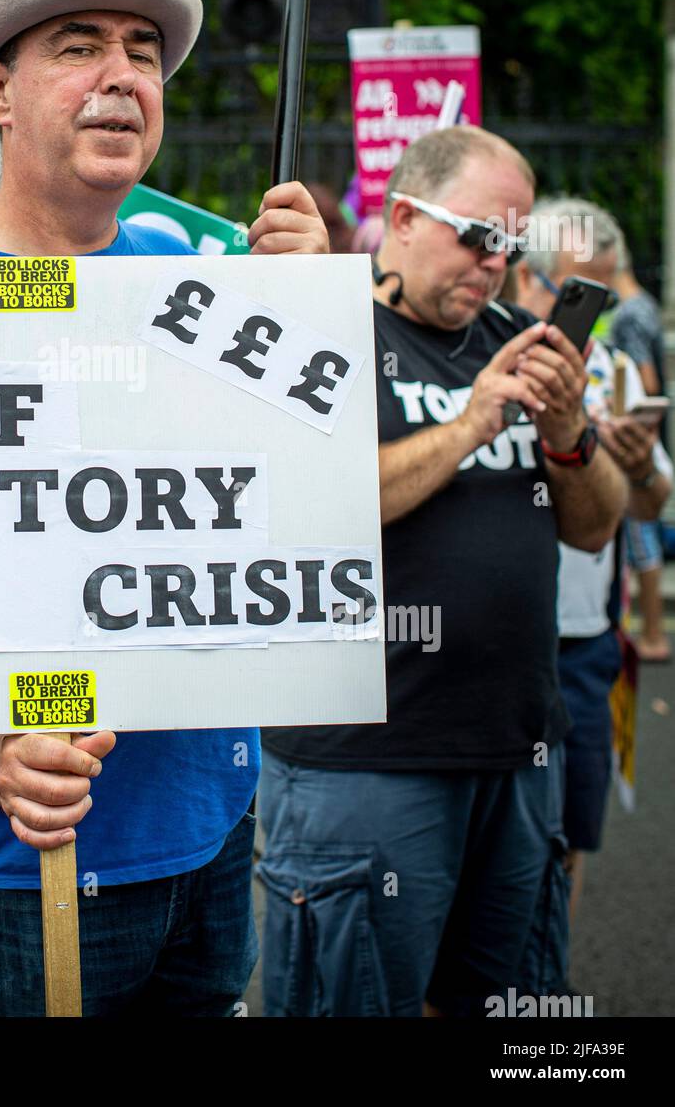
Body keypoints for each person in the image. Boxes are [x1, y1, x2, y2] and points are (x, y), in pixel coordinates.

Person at [0, 0, 329, 1017]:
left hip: (207, 835)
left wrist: (309, 323)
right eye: (78, 46)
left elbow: (292, 515)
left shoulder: (201, 267)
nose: (122, 75)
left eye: (141, 50)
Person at [258, 126, 628, 1017]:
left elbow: (596, 527)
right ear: (400, 218)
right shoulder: (323, 329)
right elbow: (313, 506)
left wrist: (568, 433)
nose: (494, 264)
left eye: (511, 244)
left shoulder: (510, 336)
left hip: (513, 753)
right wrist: (469, 424)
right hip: (366, 764)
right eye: (476, 236)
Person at [515, 197, 670, 917]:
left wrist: (637, 469)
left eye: (604, 302)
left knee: (569, 831)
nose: (592, 324)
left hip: (580, 643)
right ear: (526, 280)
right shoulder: (484, 359)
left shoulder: (608, 369)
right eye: (581, 298)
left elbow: (649, 506)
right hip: (496, 642)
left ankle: (545, 981)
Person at [611, 247, 670, 662]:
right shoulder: (647, 305)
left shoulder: (628, 315)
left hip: (634, 441)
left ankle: (651, 634)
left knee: (640, 536)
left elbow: (646, 378)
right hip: (649, 440)